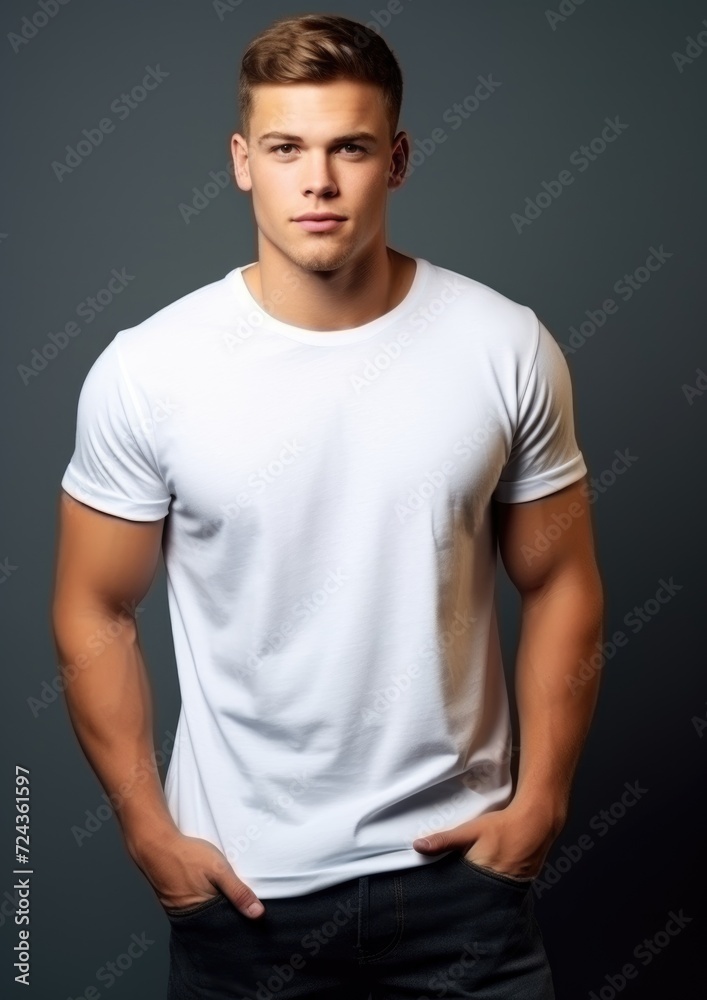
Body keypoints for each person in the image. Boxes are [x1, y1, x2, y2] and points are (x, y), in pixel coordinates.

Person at [52, 12, 604, 999]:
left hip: (461, 886)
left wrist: (542, 805)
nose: (316, 181)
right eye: (285, 148)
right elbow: (93, 606)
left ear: (394, 160)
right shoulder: (149, 370)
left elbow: (561, 580)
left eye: (348, 147)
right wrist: (147, 830)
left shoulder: (502, 345)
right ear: (240, 161)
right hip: (244, 895)